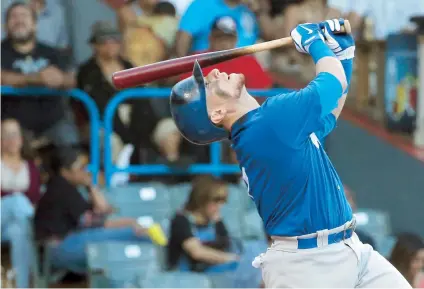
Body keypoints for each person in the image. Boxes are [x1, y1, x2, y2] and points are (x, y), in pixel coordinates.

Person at [168, 18, 411, 287]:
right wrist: (315, 44)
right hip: (307, 267)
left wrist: (343, 55)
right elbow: (330, 84)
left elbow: (329, 112)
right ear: (217, 113)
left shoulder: (263, 127)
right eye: (208, 87)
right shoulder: (267, 123)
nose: (214, 74)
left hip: (347, 249)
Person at [33, 149, 162, 273]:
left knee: (129, 237)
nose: (86, 171)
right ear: (65, 171)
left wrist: (90, 185)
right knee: (135, 234)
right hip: (58, 248)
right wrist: (132, 223)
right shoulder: (62, 188)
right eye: (81, 168)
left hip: (67, 243)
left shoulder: (69, 187)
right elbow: (96, 222)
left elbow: (103, 209)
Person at [1, 2, 80, 153]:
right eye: (13, 17)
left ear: (35, 24)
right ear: (5, 26)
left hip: (54, 123)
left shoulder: (51, 52)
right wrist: (37, 78)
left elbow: (73, 79)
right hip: (14, 124)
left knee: (72, 153)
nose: (19, 21)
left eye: (24, 16)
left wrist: (61, 79)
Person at [167, 175, 264, 287]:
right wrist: (231, 258)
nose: (220, 206)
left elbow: (225, 244)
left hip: (217, 273)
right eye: (216, 200)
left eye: (222, 201)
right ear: (201, 199)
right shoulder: (181, 221)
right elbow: (197, 252)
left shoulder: (214, 221)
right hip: (190, 278)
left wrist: (218, 222)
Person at [1, 119, 41, 288]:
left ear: (21, 138)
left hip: (16, 223)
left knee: (19, 232)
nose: (11, 139)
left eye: (15, 134)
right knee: (17, 200)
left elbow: (36, 197)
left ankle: (23, 286)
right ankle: (40, 276)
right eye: (6, 135)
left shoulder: (30, 167)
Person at [174, 0, 274, 57]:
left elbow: (271, 38)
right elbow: (183, 38)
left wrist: (258, 11)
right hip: (208, 64)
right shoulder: (202, 4)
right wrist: (183, 70)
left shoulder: (251, 9)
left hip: (244, 67)